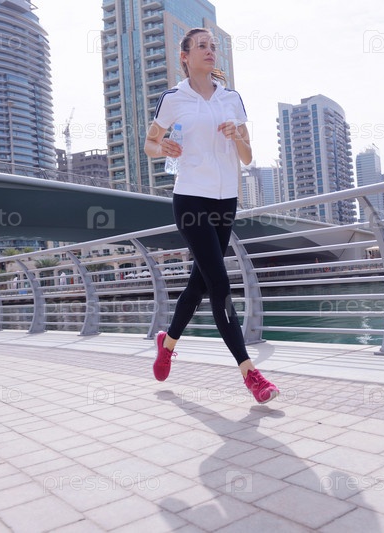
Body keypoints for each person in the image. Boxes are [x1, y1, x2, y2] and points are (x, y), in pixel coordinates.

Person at [144, 28, 279, 404]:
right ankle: (251, 374)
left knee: (199, 284)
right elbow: (149, 143)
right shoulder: (174, 98)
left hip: (225, 202)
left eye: (213, 46)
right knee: (220, 285)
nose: (210, 51)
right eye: (201, 46)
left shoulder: (231, 99)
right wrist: (163, 146)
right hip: (190, 200)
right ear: (184, 56)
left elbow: (247, 157)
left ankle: (167, 344)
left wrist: (238, 136)